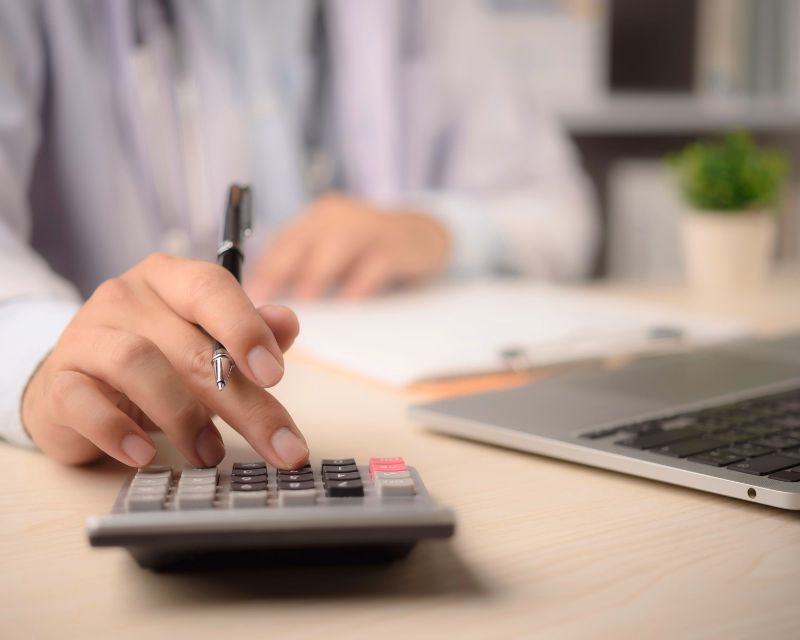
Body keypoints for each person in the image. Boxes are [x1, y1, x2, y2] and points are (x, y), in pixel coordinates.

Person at [0, 0, 597, 469]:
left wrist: (435, 228)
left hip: (398, 406)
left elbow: (558, 207)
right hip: (130, 436)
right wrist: (42, 358)